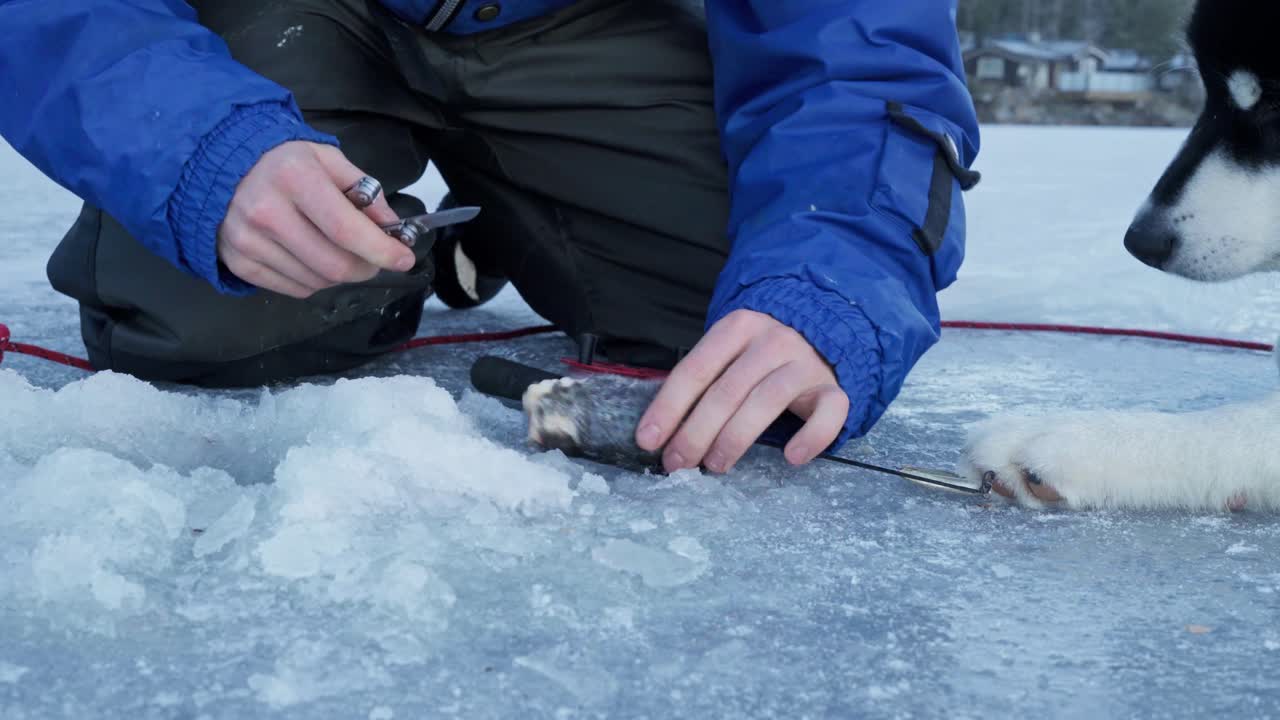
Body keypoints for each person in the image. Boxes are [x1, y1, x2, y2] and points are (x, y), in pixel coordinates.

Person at [0, 0, 980, 475]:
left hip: (580, 22)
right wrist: (198, 147)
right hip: (286, 15)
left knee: (732, 358)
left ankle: (509, 205)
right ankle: (345, 178)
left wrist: (834, 276)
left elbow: (859, 41)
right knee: (219, 325)